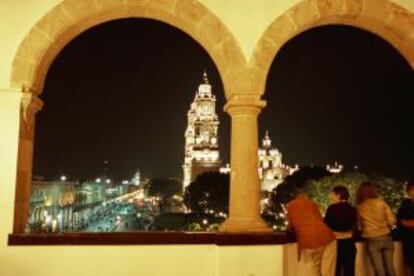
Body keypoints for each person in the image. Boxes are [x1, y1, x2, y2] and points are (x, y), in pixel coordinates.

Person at [287, 187, 337, 276]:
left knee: (314, 268)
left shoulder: (291, 205)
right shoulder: (312, 203)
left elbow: (290, 225)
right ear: (305, 196)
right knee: (327, 271)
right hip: (327, 236)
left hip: (309, 241)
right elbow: (320, 219)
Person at [356, 182, 396, 276]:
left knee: (379, 270)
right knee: (390, 268)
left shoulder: (359, 207)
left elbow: (359, 227)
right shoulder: (381, 202)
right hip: (386, 237)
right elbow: (392, 221)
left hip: (372, 239)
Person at [325, 186, 357, 276]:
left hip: (336, 243)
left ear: (339, 195)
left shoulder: (332, 208)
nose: (331, 196)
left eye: (332, 194)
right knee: (349, 270)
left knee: (336, 269)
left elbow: (327, 224)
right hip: (350, 242)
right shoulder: (352, 209)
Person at [397, 181, 414, 276]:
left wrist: (408, 223)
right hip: (408, 241)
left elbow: (404, 222)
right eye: (412, 190)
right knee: (409, 266)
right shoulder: (405, 204)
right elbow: (400, 221)